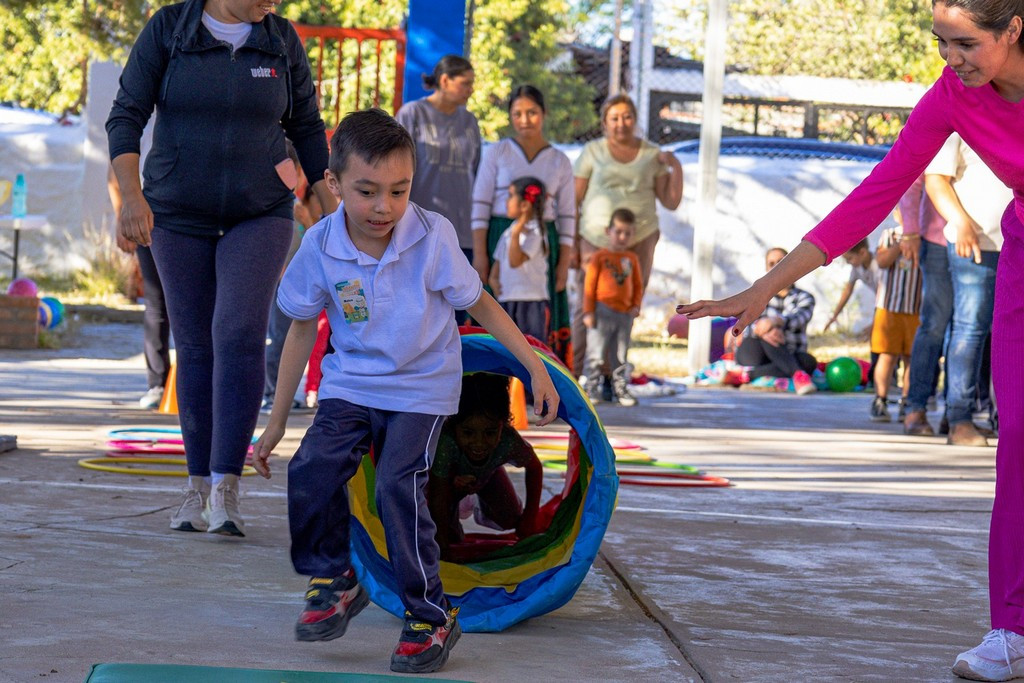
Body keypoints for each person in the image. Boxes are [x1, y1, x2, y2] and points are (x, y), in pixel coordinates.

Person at [678, 2, 1024, 678]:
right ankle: (1013, 628)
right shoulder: (953, 95)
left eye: (965, 43)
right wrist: (765, 286)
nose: (950, 58)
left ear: (1013, 29)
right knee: (1016, 434)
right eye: (941, 41)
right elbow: (874, 193)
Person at [251, 109, 559, 675]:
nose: (384, 207)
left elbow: (482, 303)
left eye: (399, 190)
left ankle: (430, 614)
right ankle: (337, 576)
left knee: (398, 484)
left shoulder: (432, 236)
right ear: (333, 184)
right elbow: (300, 328)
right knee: (311, 467)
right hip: (351, 384)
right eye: (367, 191)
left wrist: (533, 368)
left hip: (421, 387)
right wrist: (275, 421)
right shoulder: (320, 245)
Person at [106, 0, 337, 536]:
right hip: (176, 212)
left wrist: (335, 215)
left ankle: (226, 487)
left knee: (238, 332)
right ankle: (196, 487)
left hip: (260, 211)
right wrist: (131, 197)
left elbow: (306, 126)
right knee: (194, 344)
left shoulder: (280, 38)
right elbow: (126, 116)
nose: (273, 1)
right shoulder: (171, 29)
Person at [572, 93, 683, 377]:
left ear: (635, 119)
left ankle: (613, 375)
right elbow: (573, 200)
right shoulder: (592, 152)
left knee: (625, 306)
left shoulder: (651, 154)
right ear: (604, 123)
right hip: (595, 240)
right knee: (587, 306)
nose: (621, 123)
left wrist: (675, 167)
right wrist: (571, 243)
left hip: (640, 239)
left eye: (627, 117)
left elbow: (670, 201)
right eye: (614, 118)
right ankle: (577, 373)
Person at [470, 85, 575, 365]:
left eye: (532, 112)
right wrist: (480, 254)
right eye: (517, 114)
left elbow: (567, 215)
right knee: (496, 308)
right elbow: (480, 204)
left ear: (544, 113)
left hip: (545, 243)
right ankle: (493, 379)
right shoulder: (497, 152)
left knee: (538, 311)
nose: (525, 120)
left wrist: (563, 263)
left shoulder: (559, 161)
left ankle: (541, 377)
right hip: (499, 236)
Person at [918, 132, 1009, 445]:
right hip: (976, 244)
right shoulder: (960, 121)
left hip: (1015, 242)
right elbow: (935, 179)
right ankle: (959, 420)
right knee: (970, 330)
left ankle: (1003, 418)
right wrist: (961, 222)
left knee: (1007, 334)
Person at [428, 372, 544, 560]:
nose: (479, 443)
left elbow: (534, 467)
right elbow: (437, 496)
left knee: (510, 518)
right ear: (453, 425)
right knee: (441, 533)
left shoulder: (507, 440)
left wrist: (530, 518)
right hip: (447, 483)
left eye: (490, 433)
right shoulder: (446, 442)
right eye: (468, 433)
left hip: (488, 476)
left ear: (502, 425)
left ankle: (475, 502)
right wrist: (442, 544)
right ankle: (454, 518)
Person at [395, 55, 480, 266]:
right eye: (465, 83)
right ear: (444, 80)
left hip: (461, 232)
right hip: (417, 229)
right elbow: (393, 169)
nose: (470, 90)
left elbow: (476, 172)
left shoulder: (470, 121)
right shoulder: (412, 114)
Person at [107, 165, 170, 411]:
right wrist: (122, 216)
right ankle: (158, 384)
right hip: (149, 215)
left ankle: (197, 383)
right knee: (156, 301)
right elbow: (114, 175)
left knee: (194, 303)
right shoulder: (139, 137)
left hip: (192, 212)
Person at [581, 208, 644, 407]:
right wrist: (588, 311)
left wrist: (635, 305)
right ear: (608, 231)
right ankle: (591, 387)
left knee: (620, 355)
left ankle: (620, 389)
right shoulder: (599, 257)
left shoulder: (632, 259)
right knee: (595, 353)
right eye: (618, 232)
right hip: (601, 311)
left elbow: (638, 285)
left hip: (624, 314)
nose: (622, 237)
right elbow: (589, 286)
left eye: (627, 233)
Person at [733, 247, 818, 395]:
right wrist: (764, 329)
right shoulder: (757, 297)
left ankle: (748, 375)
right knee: (767, 335)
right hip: (756, 352)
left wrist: (776, 322)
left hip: (790, 353)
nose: (776, 267)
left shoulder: (805, 297)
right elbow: (747, 326)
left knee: (808, 362)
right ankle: (797, 373)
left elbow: (799, 319)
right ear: (767, 269)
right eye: (771, 264)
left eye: (781, 262)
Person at [867, 225, 923, 422]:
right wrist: (901, 244)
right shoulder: (889, 235)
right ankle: (880, 400)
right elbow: (881, 262)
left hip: (916, 307)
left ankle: (906, 402)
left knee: (911, 358)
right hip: (889, 306)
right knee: (887, 355)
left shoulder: (925, 235)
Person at [488, 176, 550, 343]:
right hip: (508, 300)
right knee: (507, 347)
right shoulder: (508, 232)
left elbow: (515, 261)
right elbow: (499, 263)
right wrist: (493, 280)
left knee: (532, 347)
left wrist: (516, 233)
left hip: (530, 302)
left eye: (510, 196)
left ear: (524, 205)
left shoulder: (535, 232)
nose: (506, 201)